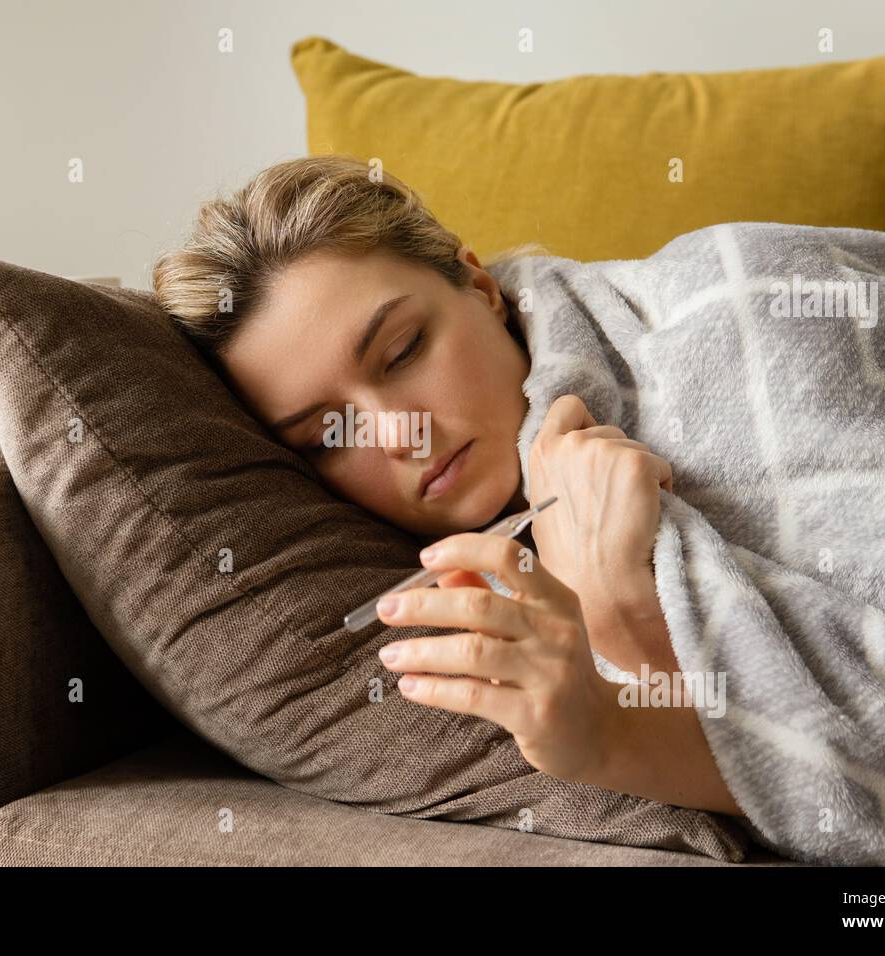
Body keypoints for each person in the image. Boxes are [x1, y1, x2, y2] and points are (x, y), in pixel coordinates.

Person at [152, 154, 743, 817]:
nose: (403, 437)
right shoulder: (443, 607)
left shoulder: (727, 306)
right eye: (326, 437)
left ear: (478, 285)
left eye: (403, 352)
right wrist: (606, 598)